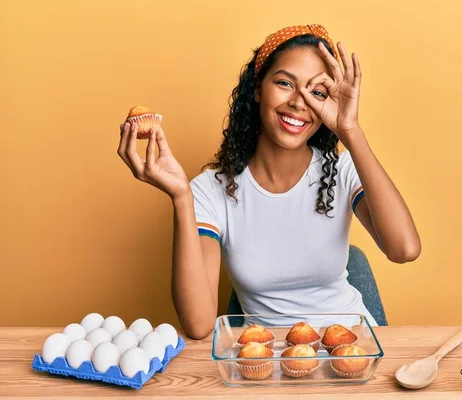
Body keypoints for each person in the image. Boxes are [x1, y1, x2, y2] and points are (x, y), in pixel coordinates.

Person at [117, 24, 421, 339]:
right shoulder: (210, 190)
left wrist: (351, 130)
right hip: (265, 359)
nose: (300, 102)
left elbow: (404, 249)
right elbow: (199, 325)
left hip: (350, 347)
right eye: (285, 83)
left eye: (317, 92)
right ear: (258, 88)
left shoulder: (342, 168)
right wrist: (181, 197)